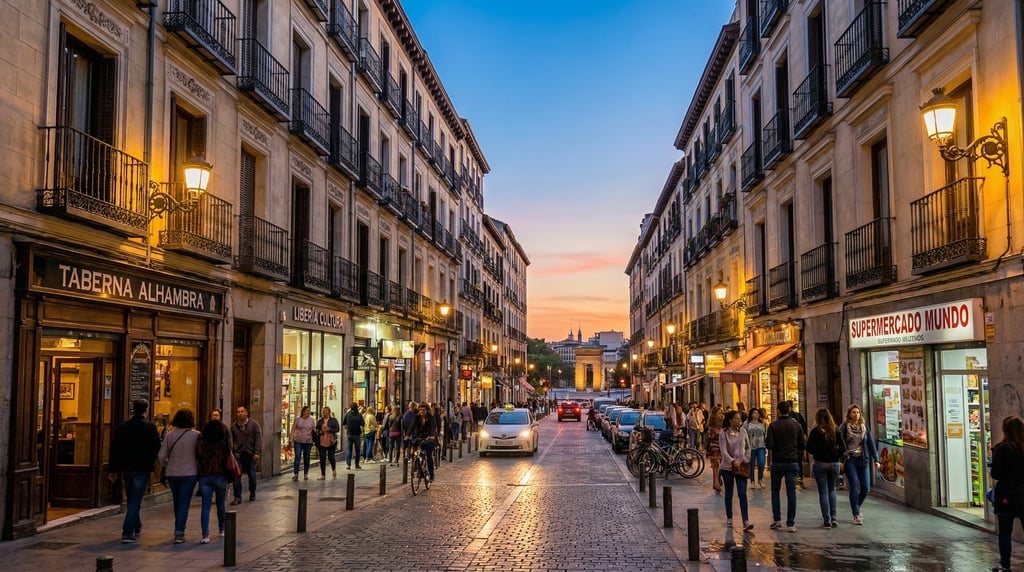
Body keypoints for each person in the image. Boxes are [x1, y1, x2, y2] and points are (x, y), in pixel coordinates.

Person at [108, 398, 161, 543]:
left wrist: (113, 469)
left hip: (126, 468)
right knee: (135, 500)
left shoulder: (123, 427)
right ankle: (127, 532)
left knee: (132, 498)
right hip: (143, 468)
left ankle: (137, 525)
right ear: (146, 410)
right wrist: (151, 460)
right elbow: (157, 447)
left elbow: (114, 449)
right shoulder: (150, 427)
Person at [157, 408, 201, 544]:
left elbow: (160, 456)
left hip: (173, 473)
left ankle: (179, 528)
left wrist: (167, 462)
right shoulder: (197, 435)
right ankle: (179, 532)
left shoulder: (170, 435)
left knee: (177, 501)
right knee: (184, 502)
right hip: (190, 473)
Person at [765, 400, 805, 532]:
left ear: (778, 411)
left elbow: (769, 444)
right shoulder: (796, 425)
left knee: (775, 491)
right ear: (789, 410)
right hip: (792, 462)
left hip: (777, 462)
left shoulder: (773, 426)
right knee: (791, 492)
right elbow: (802, 445)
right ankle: (791, 522)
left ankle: (777, 520)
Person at [837, 404, 879, 525]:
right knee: (854, 486)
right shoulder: (844, 426)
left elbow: (870, 443)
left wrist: (876, 459)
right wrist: (842, 455)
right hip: (850, 460)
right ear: (849, 414)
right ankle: (856, 514)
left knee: (866, 488)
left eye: (858, 412)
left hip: (863, 460)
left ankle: (857, 505)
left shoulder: (864, 426)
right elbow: (839, 442)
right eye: (853, 412)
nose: (856, 414)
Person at [991, 416, 1024, 572]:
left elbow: (996, 474)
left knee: (1005, 531)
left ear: (1005, 430)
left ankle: (1005, 566)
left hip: (1006, 495)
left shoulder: (1001, 449)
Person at [196, 419, 231, 544]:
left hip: (205, 476)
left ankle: (205, 535)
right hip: (220, 475)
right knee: (221, 504)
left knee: (206, 506)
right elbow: (229, 451)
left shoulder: (201, 439)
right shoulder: (223, 439)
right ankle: (222, 530)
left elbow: (198, 455)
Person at [806, 408, 842, 529]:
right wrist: (838, 456)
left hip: (820, 463)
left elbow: (808, 447)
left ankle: (826, 520)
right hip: (834, 463)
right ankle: (834, 517)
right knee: (832, 490)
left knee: (823, 492)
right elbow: (843, 447)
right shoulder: (835, 430)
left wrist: (817, 453)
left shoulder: (815, 431)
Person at [720, 410, 753, 531]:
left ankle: (746, 521)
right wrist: (733, 461)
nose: (739, 421)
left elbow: (748, 447)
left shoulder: (743, 432)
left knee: (742, 493)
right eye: (737, 419)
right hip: (727, 467)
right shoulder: (723, 433)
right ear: (730, 420)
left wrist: (745, 459)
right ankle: (729, 518)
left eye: (740, 419)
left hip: (742, 467)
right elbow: (723, 451)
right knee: (729, 493)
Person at [231, 405, 262, 505]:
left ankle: (252, 491)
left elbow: (258, 438)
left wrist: (257, 452)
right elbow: (231, 440)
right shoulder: (233, 426)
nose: (240, 414)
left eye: (242, 411)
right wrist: (232, 452)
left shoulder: (254, 425)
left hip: (250, 454)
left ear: (246, 413)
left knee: (252, 475)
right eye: (238, 412)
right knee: (237, 476)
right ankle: (237, 497)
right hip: (238, 455)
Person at [408, 403, 438, 480]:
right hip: (419, 438)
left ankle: (431, 474)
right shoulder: (417, 417)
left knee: (429, 456)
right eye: (420, 410)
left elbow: (433, 427)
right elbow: (412, 426)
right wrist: (407, 435)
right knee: (417, 454)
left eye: (423, 410)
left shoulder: (430, 417)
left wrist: (432, 436)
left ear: (427, 410)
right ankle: (419, 470)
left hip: (429, 439)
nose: (422, 411)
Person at [786, 401, 809, 489]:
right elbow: (804, 428)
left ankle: (796, 479)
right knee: (798, 461)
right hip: (797, 443)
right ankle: (799, 478)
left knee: (796, 461)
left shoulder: (792, 417)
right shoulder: (797, 416)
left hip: (792, 444)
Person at [743, 408, 768, 489]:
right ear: (751, 414)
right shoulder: (747, 423)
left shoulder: (763, 423)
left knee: (761, 463)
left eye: (757, 413)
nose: (756, 414)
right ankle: (752, 481)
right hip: (750, 447)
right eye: (754, 413)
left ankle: (760, 479)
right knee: (751, 465)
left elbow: (766, 434)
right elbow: (743, 433)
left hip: (761, 446)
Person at [289, 405, 315, 480]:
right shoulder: (298, 419)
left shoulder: (311, 420)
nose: (308, 412)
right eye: (307, 411)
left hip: (308, 441)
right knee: (297, 457)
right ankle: (296, 474)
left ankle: (306, 474)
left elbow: (314, 429)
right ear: (303, 412)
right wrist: (291, 440)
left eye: (309, 411)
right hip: (298, 441)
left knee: (307, 457)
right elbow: (293, 429)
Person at [315, 406, 340, 480]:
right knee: (322, 458)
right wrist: (320, 432)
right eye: (323, 411)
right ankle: (323, 475)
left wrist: (329, 429)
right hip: (322, 441)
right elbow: (317, 431)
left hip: (331, 441)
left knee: (330, 457)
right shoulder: (320, 421)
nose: (324, 413)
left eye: (325, 411)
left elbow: (337, 429)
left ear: (329, 412)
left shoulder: (333, 420)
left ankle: (333, 469)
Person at [706, 408, 724, 494]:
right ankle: (716, 483)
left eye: (721, 413)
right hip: (714, 447)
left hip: (722, 448)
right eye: (719, 413)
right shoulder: (711, 424)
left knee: (722, 465)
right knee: (715, 466)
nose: (720, 414)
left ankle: (718, 479)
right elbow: (711, 436)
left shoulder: (723, 424)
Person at [342, 402, 365, 470]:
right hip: (357, 435)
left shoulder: (348, 414)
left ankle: (348, 465)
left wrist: (347, 427)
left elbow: (344, 423)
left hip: (349, 434)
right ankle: (356, 464)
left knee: (349, 450)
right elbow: (363, 424)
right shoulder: (359, 415)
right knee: (357, 450)